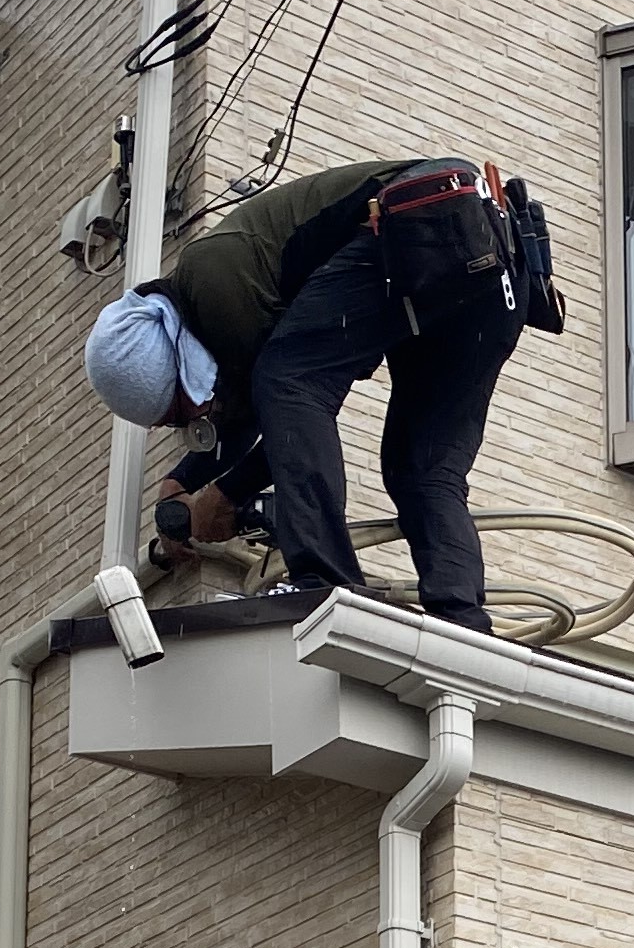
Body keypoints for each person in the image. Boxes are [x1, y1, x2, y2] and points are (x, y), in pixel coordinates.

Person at [84, 155, 529, 627]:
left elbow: (286, 397)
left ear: (175, 362)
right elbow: (267, 410)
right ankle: (463, 625)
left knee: (288, 380)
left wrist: (226, 492)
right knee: (421, 470)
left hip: (425, 225)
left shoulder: (211, 279)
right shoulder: (213, 320)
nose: (196, 419)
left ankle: (322, 583)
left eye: (178, 411)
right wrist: (184, 482)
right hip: (493, 261)